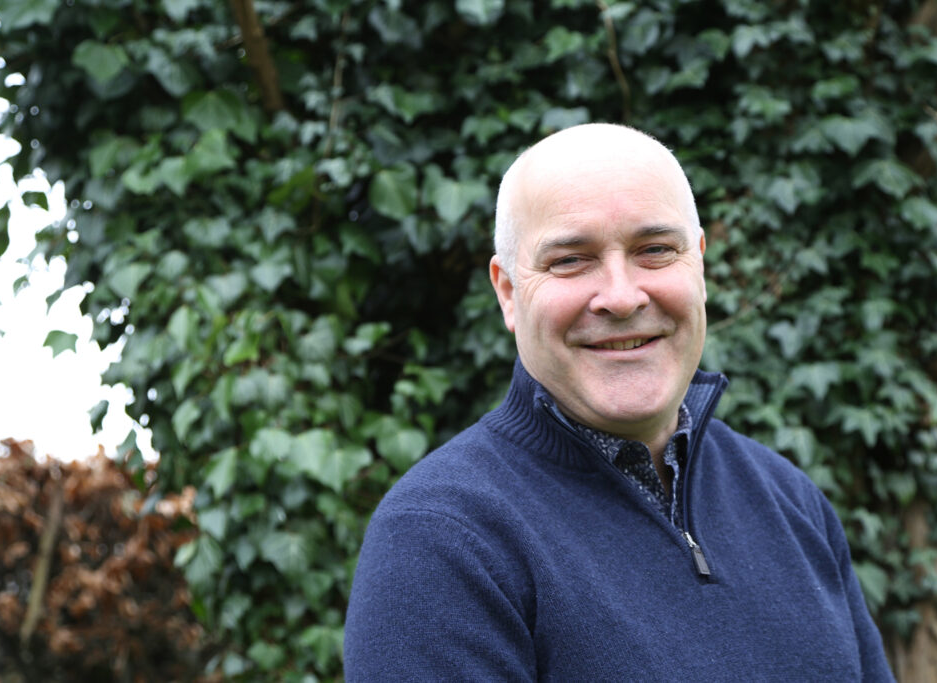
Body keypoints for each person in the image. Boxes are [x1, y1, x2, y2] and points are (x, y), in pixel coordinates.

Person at [344, 123, 895, 681]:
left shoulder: (790, 502)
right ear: (508, 291)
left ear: (699, 266)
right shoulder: (441, 538)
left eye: (655, 251)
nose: (622, 297)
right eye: (570, 260)